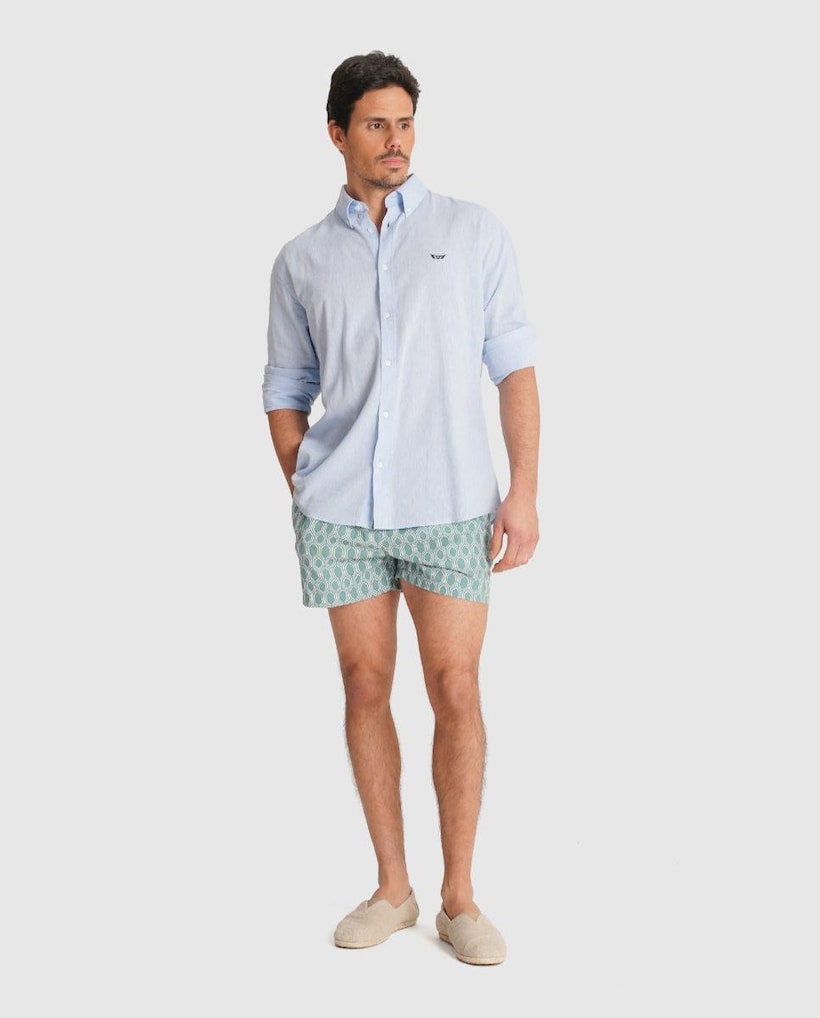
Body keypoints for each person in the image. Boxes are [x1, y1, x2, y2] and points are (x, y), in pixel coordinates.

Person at [262, 51, 540, 966]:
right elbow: (286, 385)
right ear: (337, 133)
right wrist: (306, 479)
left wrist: (524, 490)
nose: (396, 141)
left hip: (452, 501)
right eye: (376, 124)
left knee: (456, 687)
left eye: (406, 122)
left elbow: (514, 366)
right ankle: (393, 887)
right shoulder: (303, 259)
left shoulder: (471, 231)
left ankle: (460, 899)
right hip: (341, 511)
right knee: (363, 684)